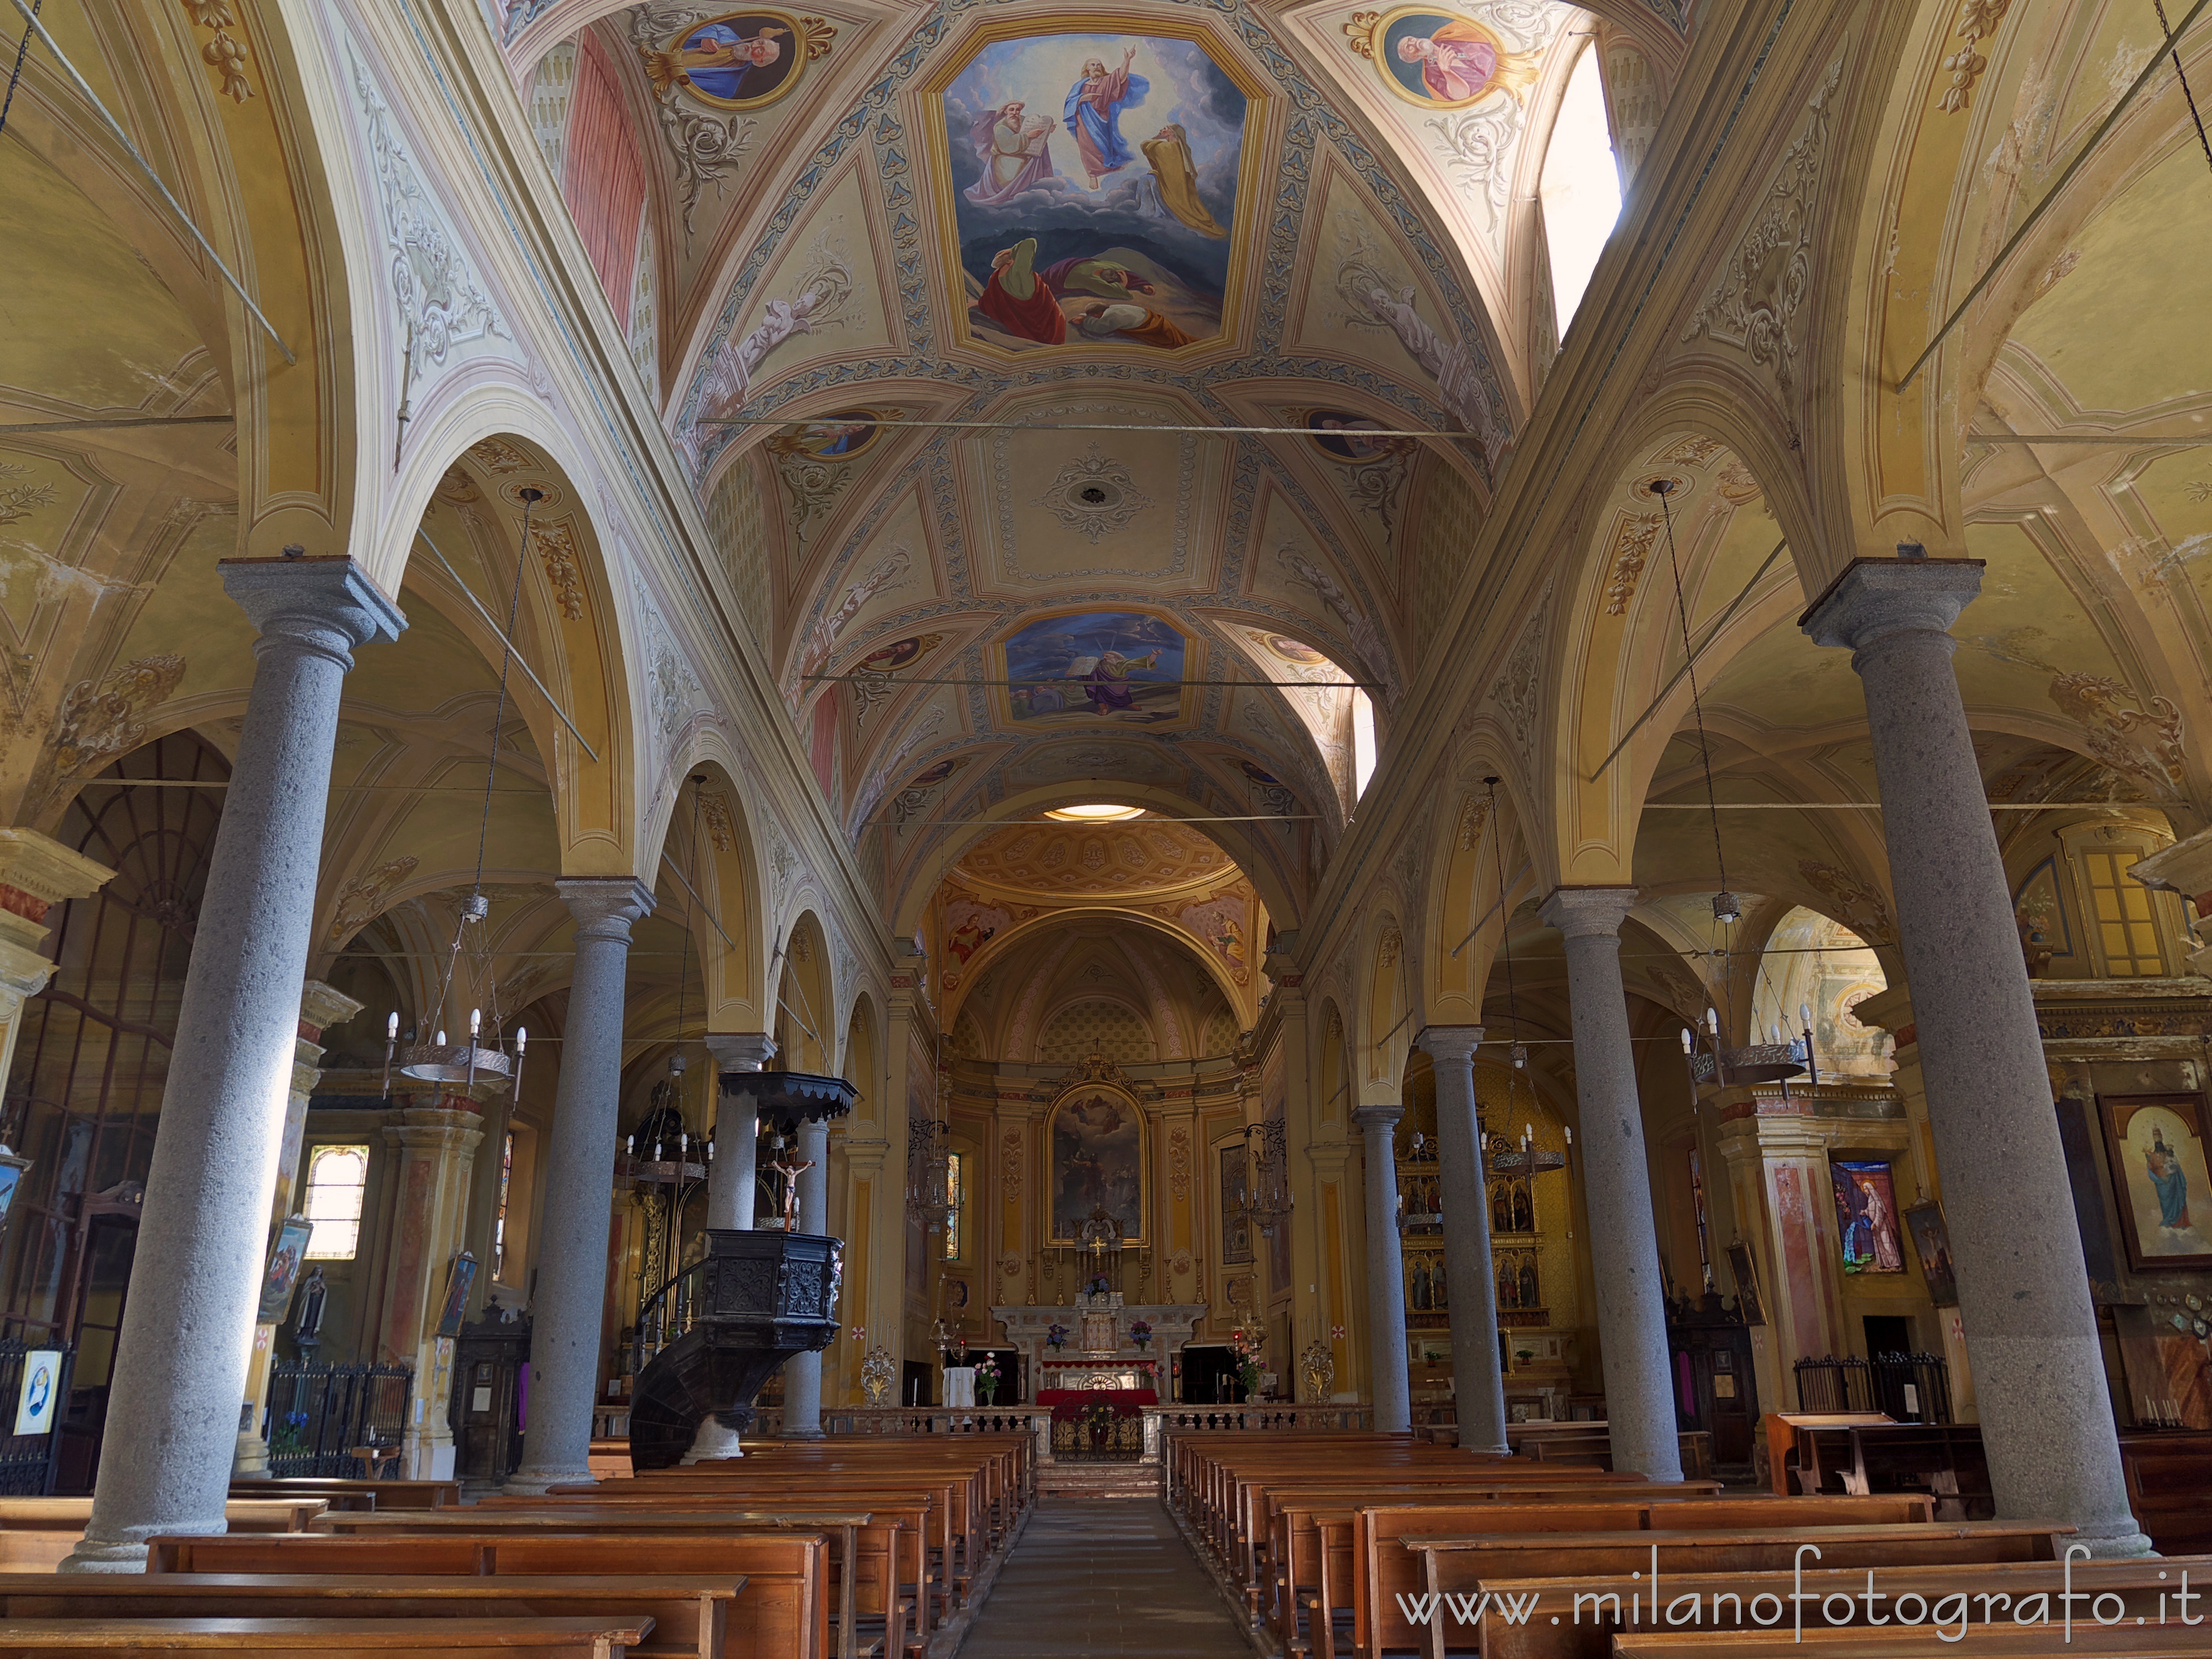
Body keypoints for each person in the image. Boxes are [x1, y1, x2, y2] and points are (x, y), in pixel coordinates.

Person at [1064, 45, 1148, 190]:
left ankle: (1109, 167)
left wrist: (1127, 60)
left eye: (1098, 65)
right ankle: (1093, 176)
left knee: (1105, 147)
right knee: (1087, 148)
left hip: (1102, 120)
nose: (1096, 67)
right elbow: (1069, 103)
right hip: (1084, 120)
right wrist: (1084, 98)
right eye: (1093, 65)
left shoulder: (1106, 82)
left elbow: (1121, 77)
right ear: (1087, 69)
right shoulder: (1079, 86)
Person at [641, 22, 789, 101]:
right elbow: (706, 26)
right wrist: (708, 36)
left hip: (653, 86)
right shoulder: (724, 33)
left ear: (760, 62)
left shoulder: (728, 87)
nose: (754, 45)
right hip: (651, 53)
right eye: (759, 42)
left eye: (761, 50)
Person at [1139, 124, 1227, 236]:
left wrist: (1156, 138)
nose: (1161, 129)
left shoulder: (1168, 148)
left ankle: (1149, 214)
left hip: (1173, 191)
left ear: (1172, 133)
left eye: (1165, 129)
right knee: (1149, 178)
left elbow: (1145, 146)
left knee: (1146, 180)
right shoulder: (1180, 149)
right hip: (1175, 188)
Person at [964, 101, 1056, 206]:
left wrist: (1047, 130)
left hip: (1020, 153)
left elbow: (1036, 132)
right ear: (1006, 111)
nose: (1015, 113)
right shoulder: (1000, 126)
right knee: (1030, 159)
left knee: (1039, 153)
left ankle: (1038, 185)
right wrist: (1027, 136)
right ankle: (1021, 190)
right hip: (1004, 160)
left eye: (1018, 110)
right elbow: (1007, 146)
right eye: (1012, 110)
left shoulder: (1022, 120)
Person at [976, 238, 1066, 344]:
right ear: (1010, 261)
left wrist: (979, 303)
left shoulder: (995, 278)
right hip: (1049, 326)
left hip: (1023, 329)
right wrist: (1012, 250)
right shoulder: (1019, 274)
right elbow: (1030, 243)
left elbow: (990, 301)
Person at [1395, 22, 1498, 103]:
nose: (1414, 43)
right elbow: (1462, 96)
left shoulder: (1445, 35)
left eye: (1410, 40)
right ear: (1414, 57)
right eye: (1410, 47)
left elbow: (1477, 30)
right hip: (1492, 91)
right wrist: (1446, 71)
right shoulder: (1431, 74)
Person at [1071, 300, 1194, 349]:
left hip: (1151, 327)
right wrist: (1086, 316)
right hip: (1155, 319)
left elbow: (1100, 328)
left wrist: (1084, 321)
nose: (1095, 318)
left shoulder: (1111, 316)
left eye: (1094, 316)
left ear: (1098, 313)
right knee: (1180, 338)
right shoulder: (1113, 308)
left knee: (1173, 343)